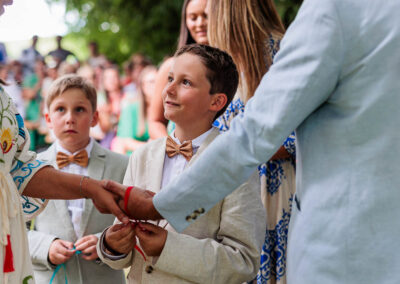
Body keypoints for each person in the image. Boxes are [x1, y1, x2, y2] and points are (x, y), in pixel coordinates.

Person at [107, 0, 400, 283]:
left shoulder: (334, 12)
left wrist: (161, 205)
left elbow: (254, 135)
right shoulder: (145, 157)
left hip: (328, 234)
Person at [97, 44, 265, 283]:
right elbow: (123, 249)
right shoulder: (141, 157)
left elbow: (243, 261)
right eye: (170, 79)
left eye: (185, 82)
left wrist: (169, 247)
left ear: (216, 102)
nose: (169, 90)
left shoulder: (235, 164)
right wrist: (112, 245)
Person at [0, 81, 127, 283]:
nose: (70, 118)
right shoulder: (31, 168)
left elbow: (132, 225)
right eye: (60, 109)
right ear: (48, 119)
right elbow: (14, 227)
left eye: (79, 109)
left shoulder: (122, 165)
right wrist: (46, 246)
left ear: (95, 117)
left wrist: (106, 243)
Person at [208, 1, 294, 283]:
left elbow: (297, 133)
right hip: (246, 184)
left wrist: (244, 148)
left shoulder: (280, 51)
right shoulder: (226, 60)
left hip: (273, 186)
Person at [148, 0, 208, 139]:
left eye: (206, 16)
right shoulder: (171, 66)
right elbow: (154, 121)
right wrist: (174, 150)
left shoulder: (234, 66)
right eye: (193, 18)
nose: (200, 23)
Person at [112, 65, 157, 154]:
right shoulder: (131, 108)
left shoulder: (167, 109)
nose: (155, 85)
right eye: (151, 82)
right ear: (143, 86)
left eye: (158, 81)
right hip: (135, 157)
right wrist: (152, 147)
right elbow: (124, 141)